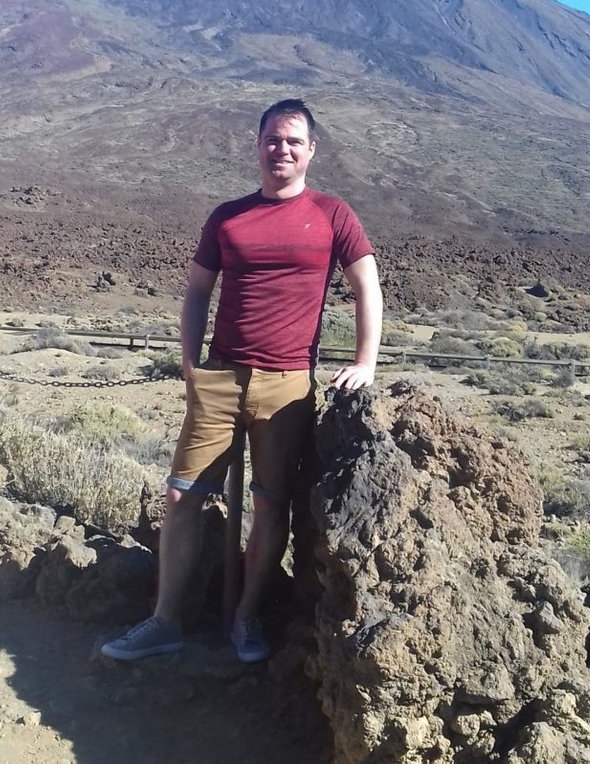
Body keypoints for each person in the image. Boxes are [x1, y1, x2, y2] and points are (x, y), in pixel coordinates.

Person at [101, 98, 382, 663]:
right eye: (273, 139)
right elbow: (198, 291)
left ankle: (246, 618)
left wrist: (366, 360)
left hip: (288, 387)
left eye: (293, 141)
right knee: (181, 496)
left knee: (270, 504)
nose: (282, 149)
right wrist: (190, 363)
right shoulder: (228, 217)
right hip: (222, 376)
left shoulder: (333, 214)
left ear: (311, 151)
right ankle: (165, 622)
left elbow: (366, 286)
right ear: (258, 145)